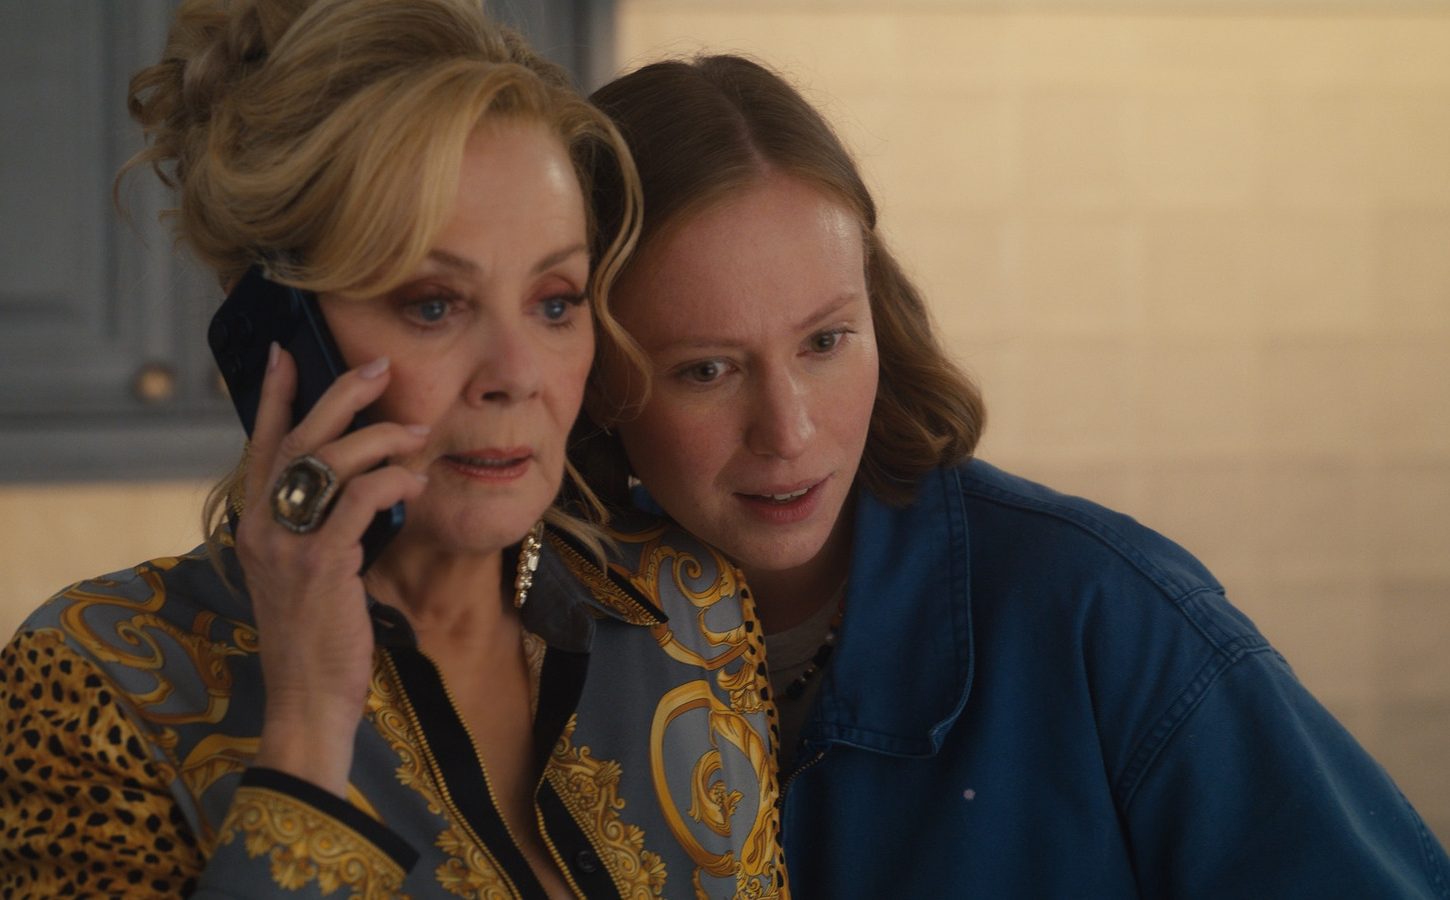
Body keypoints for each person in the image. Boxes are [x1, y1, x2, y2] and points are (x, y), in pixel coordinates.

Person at [579, 54, 1450, 897]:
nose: (790, 430)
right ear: (595, 377)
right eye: (707, 370)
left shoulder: (1106, 615)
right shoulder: (546, 647)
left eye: (825, 341)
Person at [0, 7, 786, 898]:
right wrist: (307, 726)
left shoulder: (687, 606)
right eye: (433, 304)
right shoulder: (98, 680)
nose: (517, 375)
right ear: (275, 329)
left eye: (555, 301)